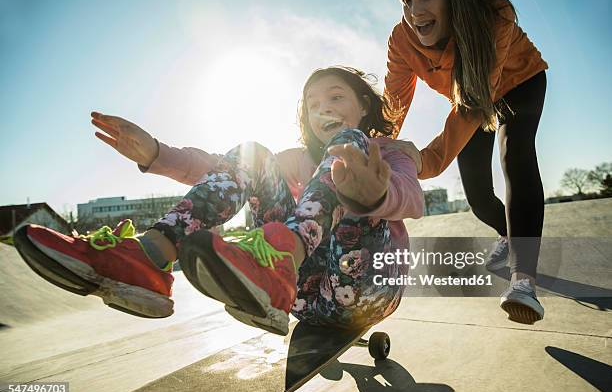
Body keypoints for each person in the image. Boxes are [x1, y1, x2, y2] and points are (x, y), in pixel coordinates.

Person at [15, 66, 424, 335]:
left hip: (365, 289)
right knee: (253, 153)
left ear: (363, 104)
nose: (324, 110)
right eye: (314, 104)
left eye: (335, 98)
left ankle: (282, 259)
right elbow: (216, 169)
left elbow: (413, 199)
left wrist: (378, 195)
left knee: (349, 148)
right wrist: (156, 153)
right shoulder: (294, 161)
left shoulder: (389, 152)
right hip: (296, 297)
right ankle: (146, 257)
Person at [384, 0, 548, 324]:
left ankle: (523, 281)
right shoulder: (402, 40)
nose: (415, 12)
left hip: (520, 83)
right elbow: (392, 108)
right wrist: (370, 151)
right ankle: (507, 233)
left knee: (514, 154)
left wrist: (424, 161)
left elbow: (475, 103)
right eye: (406, 0)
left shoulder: (492, 16)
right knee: (477, 196)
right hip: (470, 99)